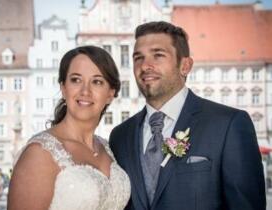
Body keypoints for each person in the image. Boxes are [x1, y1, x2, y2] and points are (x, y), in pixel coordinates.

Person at [109, 21, 266, 210]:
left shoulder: (228, 125)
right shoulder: (120, 136)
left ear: (185, 65)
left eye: (158, 55)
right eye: (138, 58)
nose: (145, 66)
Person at [8, 46, 131, 210]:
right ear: (63, 88)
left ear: (110, 94)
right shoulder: (40, 153)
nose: (85, 91)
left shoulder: (107, 148)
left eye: (97, 82)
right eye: (76, 80)